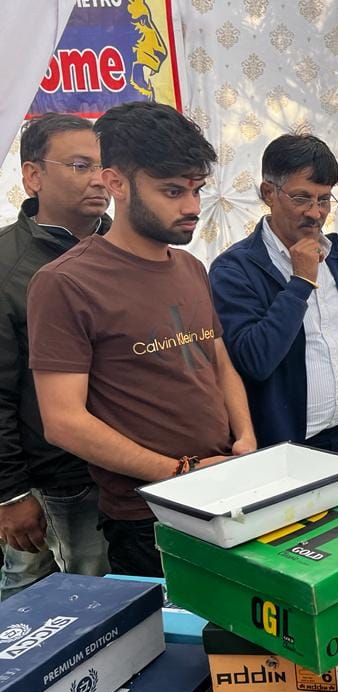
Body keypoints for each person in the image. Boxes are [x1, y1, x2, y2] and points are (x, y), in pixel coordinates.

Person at [27, 102, 256, 575]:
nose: (191, 207)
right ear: (116, 183)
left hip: (223, 490)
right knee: (176, 644)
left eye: (196, 189)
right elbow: (64, 421)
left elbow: (217, 360)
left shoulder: (190, 266)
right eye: (172, 191)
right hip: (146, 517)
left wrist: (246, 439)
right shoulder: (65, 282)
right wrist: (180, 475)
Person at [209, 134, 338, 502]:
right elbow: (254, 361)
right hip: (287, 447)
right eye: (302, 197)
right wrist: (300, 281)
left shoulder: (336, 257)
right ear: (268, 193)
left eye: (324, 199)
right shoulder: (235, 269)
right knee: (299, 550)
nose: (315, 212)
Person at [0, 114, 110, 598]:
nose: (98, 180)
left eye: (105, 167)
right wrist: (10, 493)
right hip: (53, 483)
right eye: (80, 165)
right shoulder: (8, 266)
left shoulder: (125, 248)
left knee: (117, 603)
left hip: (125, 474)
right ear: (33, 175)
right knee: (47, 606)